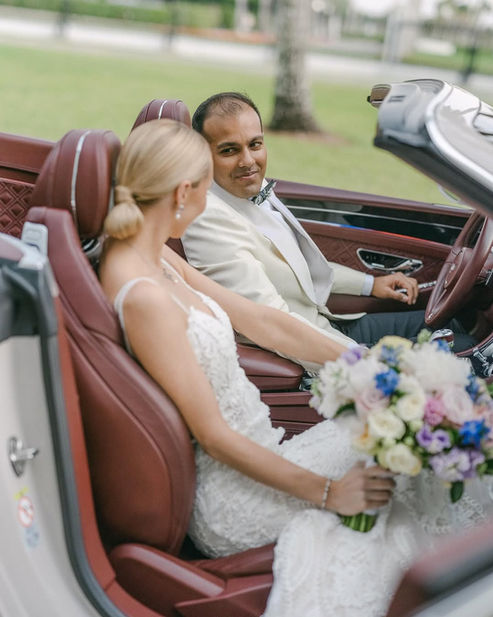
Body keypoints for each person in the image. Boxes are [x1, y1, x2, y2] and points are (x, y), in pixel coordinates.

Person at [99, 119, 489, 617]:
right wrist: (330, 493)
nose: (207, 207)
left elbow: (262, 320)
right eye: (205, 193)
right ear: (182, 193)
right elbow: (214, 436)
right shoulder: (145, 296)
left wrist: (382, 368)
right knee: (413, 473)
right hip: (233, 496)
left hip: (269, 447)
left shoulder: (156, 257)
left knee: (421, 447)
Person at [182, 91, 476, 359]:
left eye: (255, 144)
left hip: (329, 326)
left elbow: (300, 270)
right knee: (462, 351)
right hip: (317, 353)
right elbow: (270, 322)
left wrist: (372, 284)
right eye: (229, 150)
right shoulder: (210, 219)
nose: (249, 161)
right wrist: (362, 361)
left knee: (454, 321)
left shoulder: (249, 192)